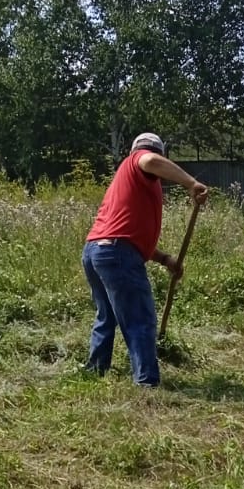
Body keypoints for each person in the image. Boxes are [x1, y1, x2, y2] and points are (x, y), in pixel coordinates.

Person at [82, 134, 207, 386]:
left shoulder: (132, 185)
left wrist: (165, 259)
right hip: (115, 253)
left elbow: (129, 235)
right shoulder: (138, 161)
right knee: (140, 319)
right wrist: (190, 183)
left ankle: (96, 370)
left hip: (96, 250)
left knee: (107, 315)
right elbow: (149, 160)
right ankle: (147, 382)